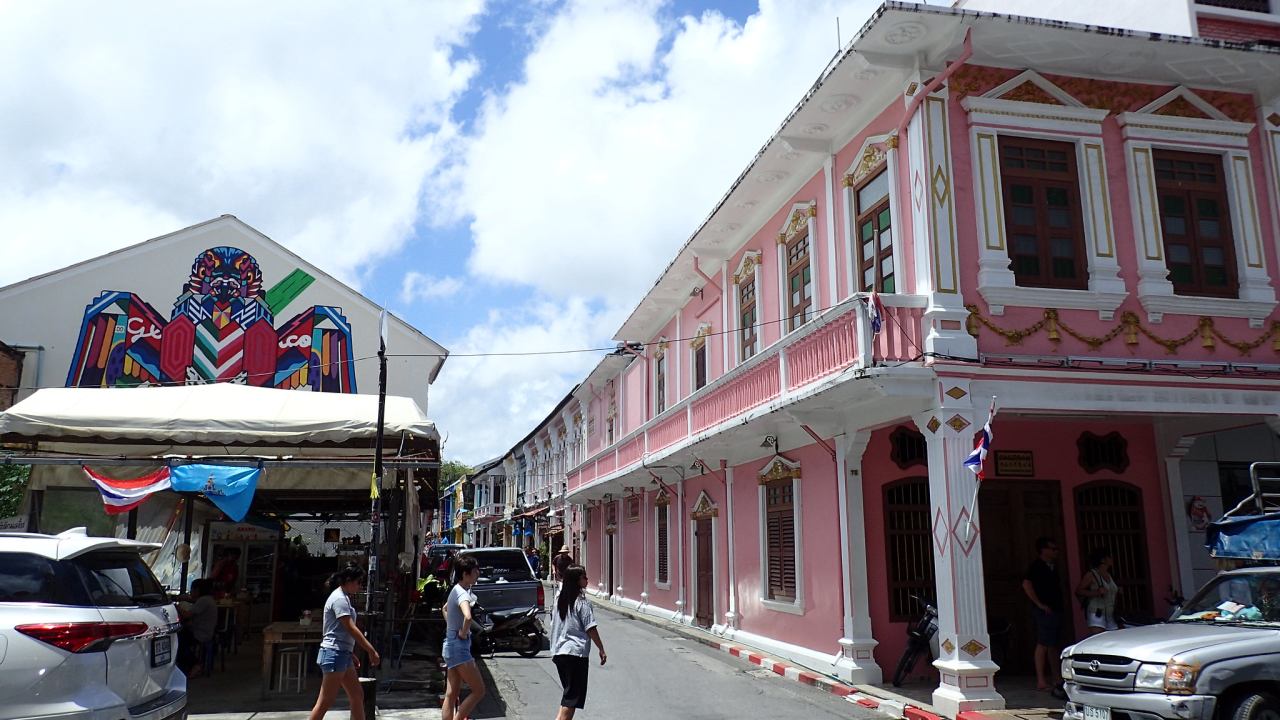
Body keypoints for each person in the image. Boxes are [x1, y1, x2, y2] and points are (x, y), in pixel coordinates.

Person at [308, 565, 380, 720]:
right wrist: (370, 650)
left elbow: (342, 631)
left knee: (357, 695)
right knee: (325, 701)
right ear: (348, 581)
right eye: (359, 582)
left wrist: (350, 652)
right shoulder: (339, 599)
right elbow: (350, 628)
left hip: (342, 654)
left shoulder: (344, 597)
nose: (360, 586)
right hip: (334, 654)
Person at [551, 565, 606, 720]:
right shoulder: (582, 603)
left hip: (559, 652)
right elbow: (591, 628)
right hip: (575, 654)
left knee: (568, 696)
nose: (587, 580)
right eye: (584, 577)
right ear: (577, 580)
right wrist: (601, 648)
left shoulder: (559, 600)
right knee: (571, 699)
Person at [442, 555, 486, 720]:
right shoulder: (463, 594)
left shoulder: (456, 589)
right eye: (475, 571)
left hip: (450, 644)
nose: (478, 574)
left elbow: (444, 609)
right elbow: (468, 617)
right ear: (466, 574)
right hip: (458, 647)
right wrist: (461, 632)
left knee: (451, 693)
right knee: (479, 690)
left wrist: (452, 629)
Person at [1022, 537, 1066, 698]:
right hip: (1044, 611)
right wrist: (1039, 604)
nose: (1056, 552)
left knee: (1052, 644)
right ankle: (1041, 680)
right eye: (1053, 549)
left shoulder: (1054, 567)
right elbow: (1026, 584)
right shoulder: (1036, 567)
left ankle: (1056, 678)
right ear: (1044, 550)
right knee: (1043, 643)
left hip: (1055, 609)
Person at [177, 578, 217, 677]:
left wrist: (176, 607)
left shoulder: (203, 600)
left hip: (200, 634)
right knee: (181, 635)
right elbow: (192, 601)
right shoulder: (208, 599)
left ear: (198, 590)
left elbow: (186, 615)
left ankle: (194, 664)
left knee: (178, 640)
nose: (191, 592)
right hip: (205, 632)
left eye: (192, 589)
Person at [1076, 547, 1120, 636]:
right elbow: (1079, 591)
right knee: (1100, 640)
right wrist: (1096, 592)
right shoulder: (1091, 574)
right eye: (1109, 557)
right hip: (1096, 613)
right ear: (1103, 560)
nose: (1112, 559)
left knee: (1114, 638)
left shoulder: (1109, 574)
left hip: (1111, 614)